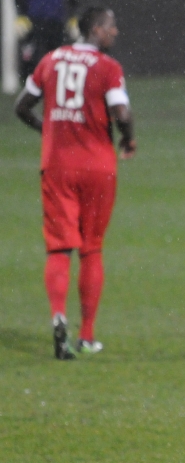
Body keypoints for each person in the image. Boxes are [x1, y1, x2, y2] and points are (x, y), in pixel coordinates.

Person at [14, 6, 136, 360]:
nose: (115, 33)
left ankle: (58, 317)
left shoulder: (50, 61)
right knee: (91, 247)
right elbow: (122, 112)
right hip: (97, 167)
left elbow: (22, 107)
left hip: (57, 165)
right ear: (96, 29)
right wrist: (128, 139)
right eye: (111, 27)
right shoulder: (107, 67)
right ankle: (86, 336)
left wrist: (50, 129)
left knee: (58, 247)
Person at [15, 0, 80, 81]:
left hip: (58, 23)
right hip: (34, 21)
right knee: (34, 58)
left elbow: (74, 3)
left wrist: (73, 17)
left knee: (57, 58)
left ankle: (54, 83)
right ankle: (34, 85)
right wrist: (21, 15)